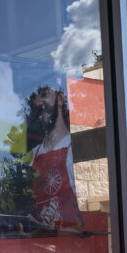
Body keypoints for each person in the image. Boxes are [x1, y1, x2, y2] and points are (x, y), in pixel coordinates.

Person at [24, 79, 83, 234]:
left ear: (61, 98)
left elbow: (85, 224)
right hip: (43, 246)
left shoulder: (75, 149)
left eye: (44, 94)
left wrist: (47, 231)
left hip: (73, 246)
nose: (39, 102)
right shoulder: (32, 157)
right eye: (34, 99)